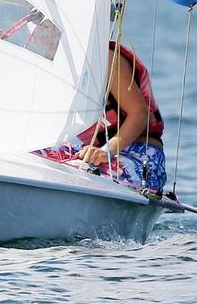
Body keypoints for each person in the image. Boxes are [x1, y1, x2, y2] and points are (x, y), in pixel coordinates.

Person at [34, 41, 166, 193]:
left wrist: (107, 151)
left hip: (141, 158)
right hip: (91, 154)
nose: (40, 32)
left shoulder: (106, 59)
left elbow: (139, 113)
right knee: (27, 154)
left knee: (79, 170)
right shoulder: (53, 67)